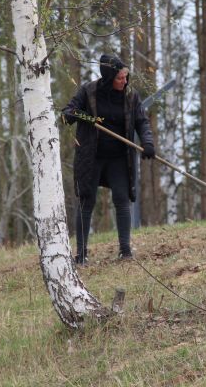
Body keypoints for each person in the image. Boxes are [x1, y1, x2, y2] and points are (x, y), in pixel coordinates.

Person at [62, 54, 155, 265]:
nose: (125, 81)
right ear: (109, 77)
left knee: (122, 200)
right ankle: (81, 255)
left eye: (126, 77)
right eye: (120, 78)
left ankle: (125, 251)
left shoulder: (131, 96)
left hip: (119, 158)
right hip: (91, 157)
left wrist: (148, 144)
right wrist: (87, 118)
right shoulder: (89, 91)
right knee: (86, 200)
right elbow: (67, 113)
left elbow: (142, 122)